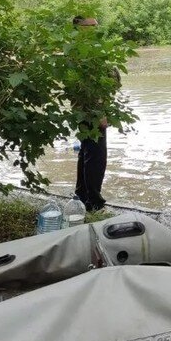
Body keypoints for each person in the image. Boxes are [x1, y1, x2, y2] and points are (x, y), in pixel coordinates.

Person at [72, 15, 115, 212]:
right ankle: (93, 202)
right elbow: (87, 88)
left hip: (84, 111)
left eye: (97, 24)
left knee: (86, 152)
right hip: (90, 112)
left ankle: (81, 195)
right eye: (92, 26)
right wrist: (100, 114)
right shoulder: (82, 53)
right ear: (79, 27)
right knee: (96, 156)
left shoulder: (83, 49)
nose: (97, 28)